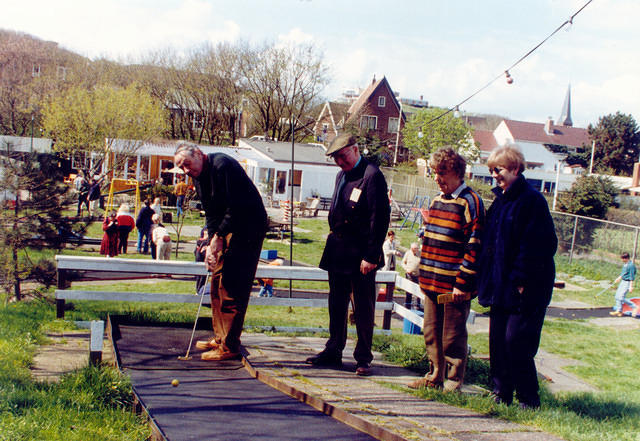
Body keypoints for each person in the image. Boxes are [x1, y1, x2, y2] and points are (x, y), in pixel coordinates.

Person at [476, 145, 557, 410]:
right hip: (500, 286)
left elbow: (539, 245)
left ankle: (528, 398)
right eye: (491, 171)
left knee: (517, 342)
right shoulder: (500, 201)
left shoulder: (532, 201)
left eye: (497, 170)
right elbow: (491, 243)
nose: (494, 175)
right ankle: (501, 393)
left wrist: (521, 281)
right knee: (498, 342)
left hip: (526, 289)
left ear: (514, 168)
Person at [305, 133, 390, 377]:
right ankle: (333, 350)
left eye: (342, 156)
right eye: (335, 159)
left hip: (361, 254)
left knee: (362, 308)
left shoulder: (371, 175)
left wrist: (372, 255)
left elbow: (379, 218)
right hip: (339, 251)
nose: (339, 162)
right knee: (337, 304)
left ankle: (363, 357)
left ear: (354, 149)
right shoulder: (342, 175)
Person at [174, 141, 268, 361]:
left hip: (247, 227)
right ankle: (220, 337)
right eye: (182, 168)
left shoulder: (222, 165)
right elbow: (211, 211)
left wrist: (218, 237)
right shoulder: (199, 176)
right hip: (229, 227)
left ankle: (230, 345)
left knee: (232, 284)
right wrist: (210, 241)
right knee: (216, 281)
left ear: (198, 153)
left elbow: (236, 208)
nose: (186, 171)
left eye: (187, 164)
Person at [407, 147, 485, 392]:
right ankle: (434, 375)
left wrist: (463, 283)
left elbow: (475, 245)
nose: (438, 178)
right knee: (431, 331)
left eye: (442, 173)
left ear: (457, 172)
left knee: (452, 335)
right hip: (431, 283)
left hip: (454, 288)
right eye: (435, 173)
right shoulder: (437, 201)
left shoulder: (471, 202)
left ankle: (453, 380)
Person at [610, 252, 636, 317]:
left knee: (621, 297)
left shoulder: (631, 265)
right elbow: (624, 273)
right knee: (617, 296)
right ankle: (619, 311)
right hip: (623, 281)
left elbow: (631, 277)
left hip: (627, 282)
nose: (621, 260)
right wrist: (618, 278)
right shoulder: (625, 264)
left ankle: (634, 306)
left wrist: (630, 286)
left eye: (622, 259)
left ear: (626, 258)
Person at [401, 242, 422, 309]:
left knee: (418, 290)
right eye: (413, 249)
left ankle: (417, 306)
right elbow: (403, 263)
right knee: (409, 290)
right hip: (409, 275)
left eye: (415, 249)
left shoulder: (420, 253)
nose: (414, 250)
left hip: (417, 275)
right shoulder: (408, 253)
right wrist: (407, 269)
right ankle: (408, 305)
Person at [194, 226, 211, 294]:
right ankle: (199, 291)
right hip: (201, 257)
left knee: (203, 276)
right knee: (200, 276)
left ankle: (200, 290)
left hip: (203, 255)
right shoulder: (201, 241)